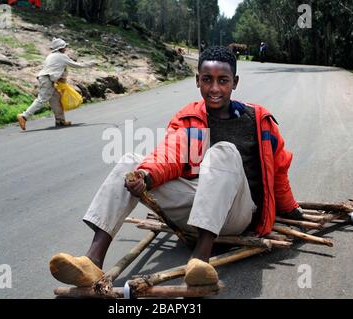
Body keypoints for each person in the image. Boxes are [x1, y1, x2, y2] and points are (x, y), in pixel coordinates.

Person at [49, 46, 302, 287]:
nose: (214, 88)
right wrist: (145, 176)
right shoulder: (189, 118)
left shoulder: (258, 121)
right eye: (207, 80)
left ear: (234, 82)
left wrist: (291, 209)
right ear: (197, 81)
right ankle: (92, 261)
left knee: (224, 151)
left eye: (223, 80)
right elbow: (171, 153)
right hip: (196, 211)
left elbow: (278, 172)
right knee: (130, 161)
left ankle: (200, 260)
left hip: (237, 214)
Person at [17, 38, 93, 130]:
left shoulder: (51, 56)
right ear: (60, 48)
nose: (65, 48)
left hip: (46, 79)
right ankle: (24, 116)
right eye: (64, 47)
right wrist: (91, 64)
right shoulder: (61, 56)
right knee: (41, 100)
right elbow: (77, 65)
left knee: (56, 99)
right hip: (47, 79)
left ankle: (60, 120)